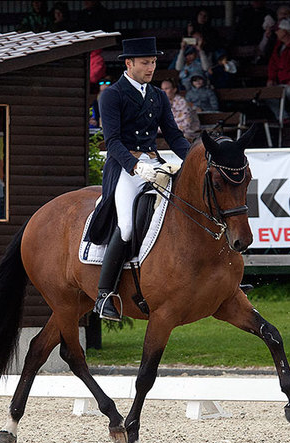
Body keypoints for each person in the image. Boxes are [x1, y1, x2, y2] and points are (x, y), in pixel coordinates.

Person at [87, 37, 191, 321]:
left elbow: (173, 135)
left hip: (156, 162)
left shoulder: (157, 95)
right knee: (127, 225)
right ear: (129, 63)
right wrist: (135, 166)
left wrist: (194, 160)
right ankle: (104, 294)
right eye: (145, 62)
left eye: (154, 62)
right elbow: (112, 141)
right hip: (124, 167)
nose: (151, 67)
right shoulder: (112, 94)